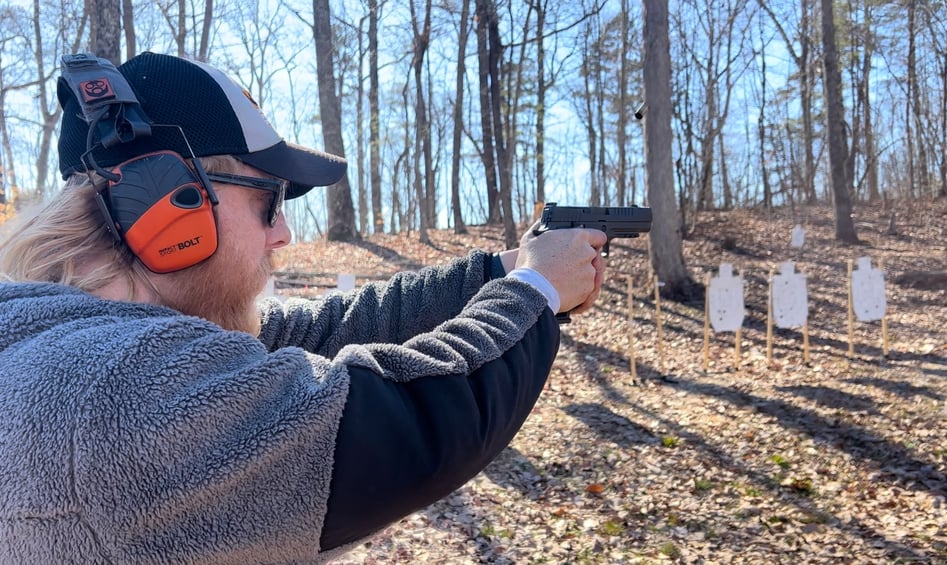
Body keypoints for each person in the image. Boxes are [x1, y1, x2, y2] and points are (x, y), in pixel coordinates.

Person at [0, 52, 606, 564]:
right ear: (168, 206)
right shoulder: (112, 387)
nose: (283, 233)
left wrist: (503, 270)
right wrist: (538, 289)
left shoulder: (66, 339)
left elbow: (324, 329)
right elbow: (409, 424)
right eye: (271, 199)